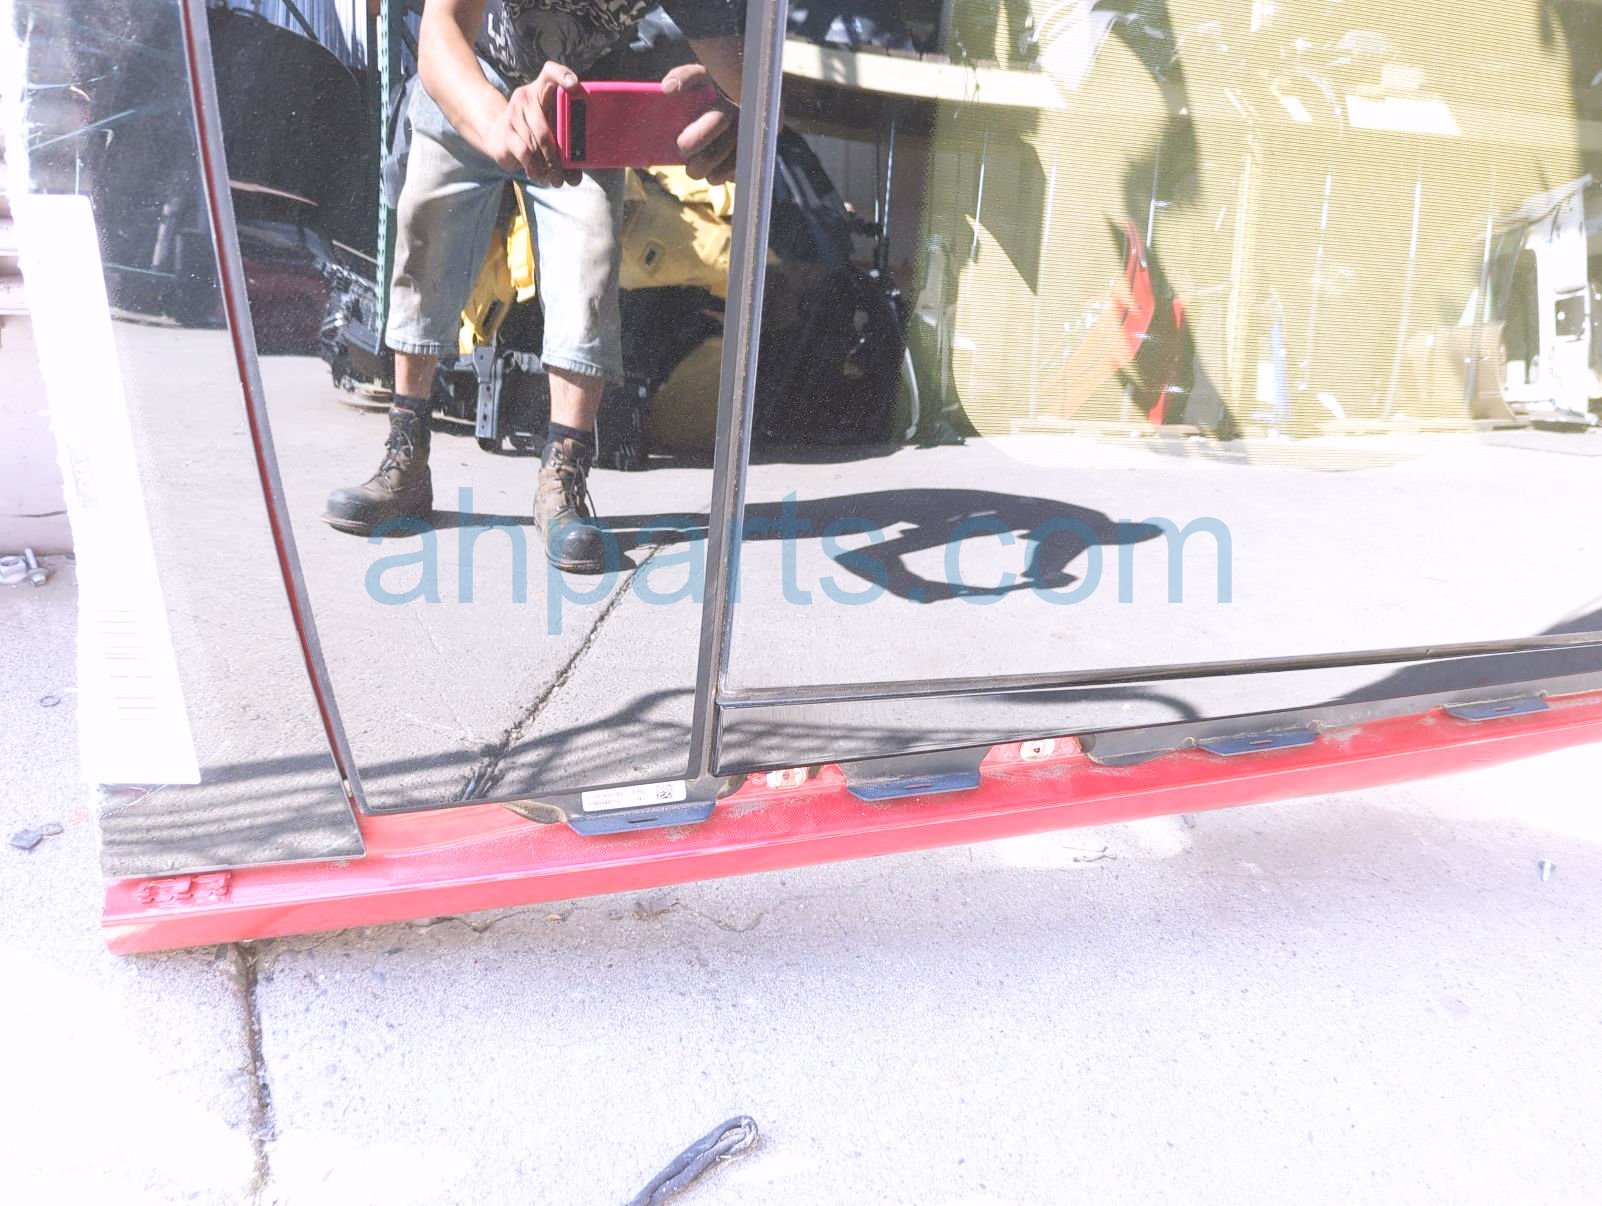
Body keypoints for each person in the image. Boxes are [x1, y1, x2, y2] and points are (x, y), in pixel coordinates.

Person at [323, 0, 743, 573]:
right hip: (472, 70)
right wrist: (496, 122)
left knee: (588, 263)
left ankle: (562, 481)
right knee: (426, 237)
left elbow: (750, 83)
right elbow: (442, 31)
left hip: (580, 94)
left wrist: (733, 108)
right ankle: (406, 456)